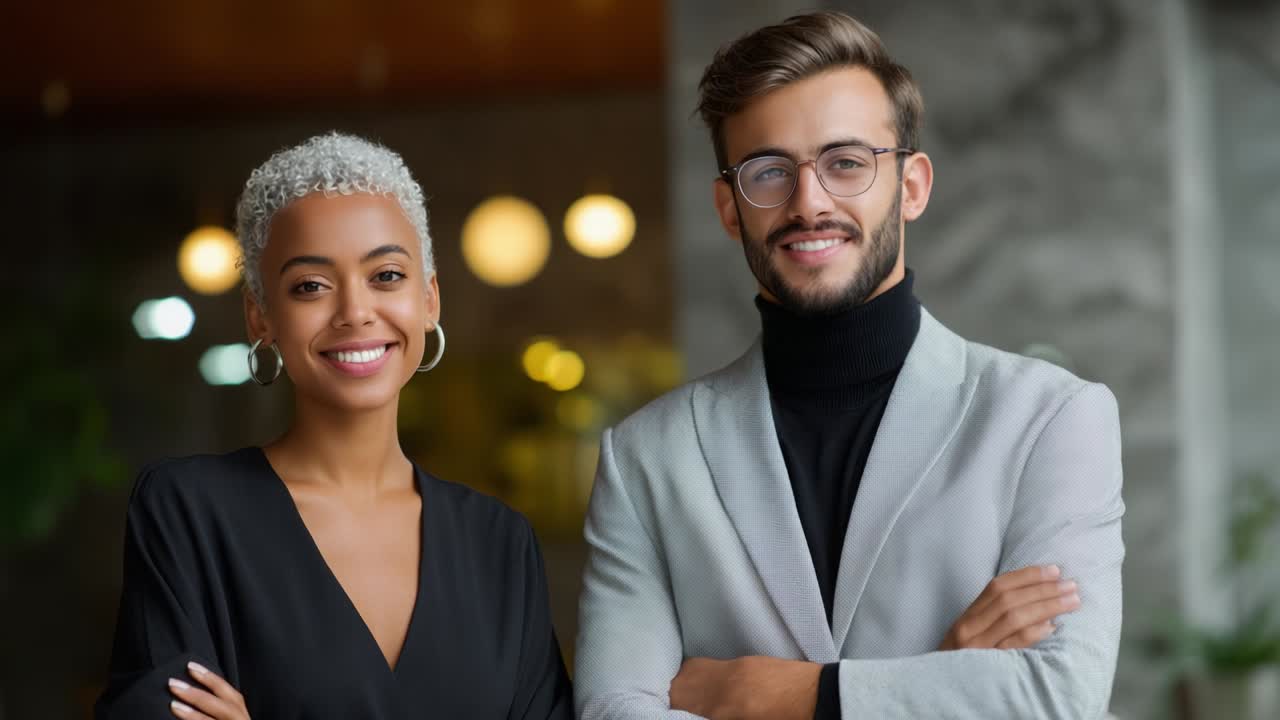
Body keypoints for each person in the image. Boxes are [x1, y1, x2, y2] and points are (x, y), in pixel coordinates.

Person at [575, 12, 1123, 720]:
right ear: (729, 207)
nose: (809, 203)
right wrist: (945, 674)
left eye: (846, 163)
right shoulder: (646, 458)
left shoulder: (1049, 418)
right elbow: (612, 714)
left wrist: (774, 694)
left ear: (913, 185)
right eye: (768, 172)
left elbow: (1059, 695)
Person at [96, 133, 573, 720]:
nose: (354, 311)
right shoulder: (189, 513)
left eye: (387, 276)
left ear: (429, 300)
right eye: (310, 286)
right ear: (260, 316)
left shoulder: (500, 545)